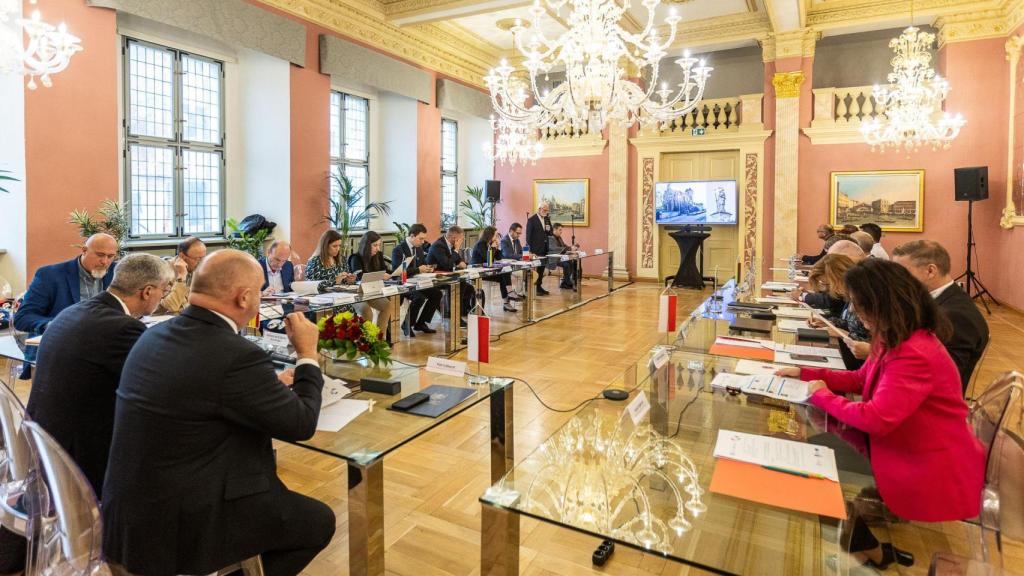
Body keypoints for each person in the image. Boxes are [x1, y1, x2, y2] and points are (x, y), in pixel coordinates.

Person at [102, 250, 334, 576]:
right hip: (185, 519)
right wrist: (307, 354)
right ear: (245, 297)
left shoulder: (152, 334)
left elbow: (201, 391)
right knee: (319, 522)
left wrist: (263, 388)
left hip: (128, 508)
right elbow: (302, 423)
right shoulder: (237, 355)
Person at [777, 259, 984, 570]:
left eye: (861, 307)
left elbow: (875, 418)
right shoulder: (897, 336)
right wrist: (805, 372)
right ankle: (869, 550)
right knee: (808, 456)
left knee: (809, 469)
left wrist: (820, 394)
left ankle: (862, 550)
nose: (857, 314)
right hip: (902, 442)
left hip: (924, 460)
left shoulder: (915, 351)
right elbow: (862, 379)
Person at [27, 254, 173, 497]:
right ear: (147, 291)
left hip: (44, 437)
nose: (162, 297)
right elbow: (156, 386)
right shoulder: (123, 327)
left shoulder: (75, 311)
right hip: (80, 454)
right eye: (163, 291)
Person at [892, 240, 990, 392]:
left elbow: (941, 376)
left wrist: (883, 355)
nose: (896, 281)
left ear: (931, 271)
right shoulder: (935, 299)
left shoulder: (956, 315)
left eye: (902, 273)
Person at [14, 232, 118, 335]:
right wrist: (56, 326)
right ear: (84, 250)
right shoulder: (50, 275)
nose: (105, 261)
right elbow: (23, 318)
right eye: (100, 255)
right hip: (60, 342)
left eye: (110, 256)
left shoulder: (118, 272)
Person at [805, 254, 871, 369]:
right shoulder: (850, 295)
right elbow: (850, 323)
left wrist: (842, 334)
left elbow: (869, 344)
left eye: (828, 284)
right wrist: (830, 322)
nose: (828, 290)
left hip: (860, 365)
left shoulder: (865, 297)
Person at [392, 224, 442, 337]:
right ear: (412, 236)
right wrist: (418, 269)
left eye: (424, 238)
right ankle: (407, 323)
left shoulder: (418, 249)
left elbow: (421, 265)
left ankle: (421, 322)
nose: (423, 241)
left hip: (417, 282)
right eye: (421, 238)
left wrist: (427, 269)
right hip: (403, 284)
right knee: (419, 297)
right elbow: (398, 272)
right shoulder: (398, 250)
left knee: (437, 293)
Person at [347, 231, 393, 341]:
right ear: (366, 245)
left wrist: (393, 273)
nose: (377, 248)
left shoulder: (378, 256)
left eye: (378, 245)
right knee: (366, 309)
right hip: (357, 293)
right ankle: (365, 340)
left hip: (373, 291)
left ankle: (378, 339)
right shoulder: (355, 258)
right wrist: (381, 275)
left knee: (387, 305)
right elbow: (359, 277)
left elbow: (384, 270)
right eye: (375, 245)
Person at [426, 226, 472, 324]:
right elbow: (447, 264)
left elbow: (458, 261)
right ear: (454, 238)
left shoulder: (450, 244)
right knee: (459, 284)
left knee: (469, 288)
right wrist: (456, 250)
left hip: (446, 276)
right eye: (461, 238)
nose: (462, 240)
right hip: (435, 277)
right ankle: (455, 316)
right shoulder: (438, 245)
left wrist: (461, 262)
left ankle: (458, 312)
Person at [470, 226, 516, 313]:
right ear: (489, 235)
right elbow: (489, 261)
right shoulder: (481, 244)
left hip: (487, 270)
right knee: (503, 274)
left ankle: (507, 300)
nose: (497, 237)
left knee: (505, 272)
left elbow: (499, 257)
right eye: (495, 235)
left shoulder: (489, 243)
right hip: (478, 271)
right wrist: (493, 248)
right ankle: (509, 295)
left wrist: (497, 247)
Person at [158, 236, 207, 314]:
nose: (201, 262)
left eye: (203, 258)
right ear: (182, 256)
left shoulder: (197, 269)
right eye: (198, 259)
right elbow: (171, 306)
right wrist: (181, 276)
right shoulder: (163, 271)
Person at [525, 202, 553, 295]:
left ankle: (539, 287)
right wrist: (529, 250)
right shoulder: (532, 220)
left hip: (544, 247)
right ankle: (527, 287)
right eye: (544, 210)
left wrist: (549, 230)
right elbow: (528, 236)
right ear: (539, 209)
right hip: (535, 248)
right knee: (532, 269)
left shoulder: (547, 219)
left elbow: (550, 233)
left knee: (541, 267)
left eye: (547, 210)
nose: (546, 212)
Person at [500, 223, 526, 300]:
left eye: (520, 233)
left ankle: (520, 292)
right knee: (522, 273)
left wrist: (527, 254)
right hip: (507, 266)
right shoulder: (504, 240)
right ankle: (518, 293)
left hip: (516, 264)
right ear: (511, 231)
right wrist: (522, 256)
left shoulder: (517, 240)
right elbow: (507, 255)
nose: (519, 235)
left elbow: (520, 252)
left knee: (528, 270)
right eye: (518, 233)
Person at [552, 223, 580, 290]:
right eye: (560, 230)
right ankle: (567, 283)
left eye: (561, 230)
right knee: (566, 265)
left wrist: (572, 247)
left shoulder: (559, 237)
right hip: (554, 258)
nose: (561, 232)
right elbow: (556, 249)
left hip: (561, 257)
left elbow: (564, 246)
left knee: (572, 262)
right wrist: (570, 249)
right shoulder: (551, 238)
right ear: (554, 230)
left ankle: (565, 282)